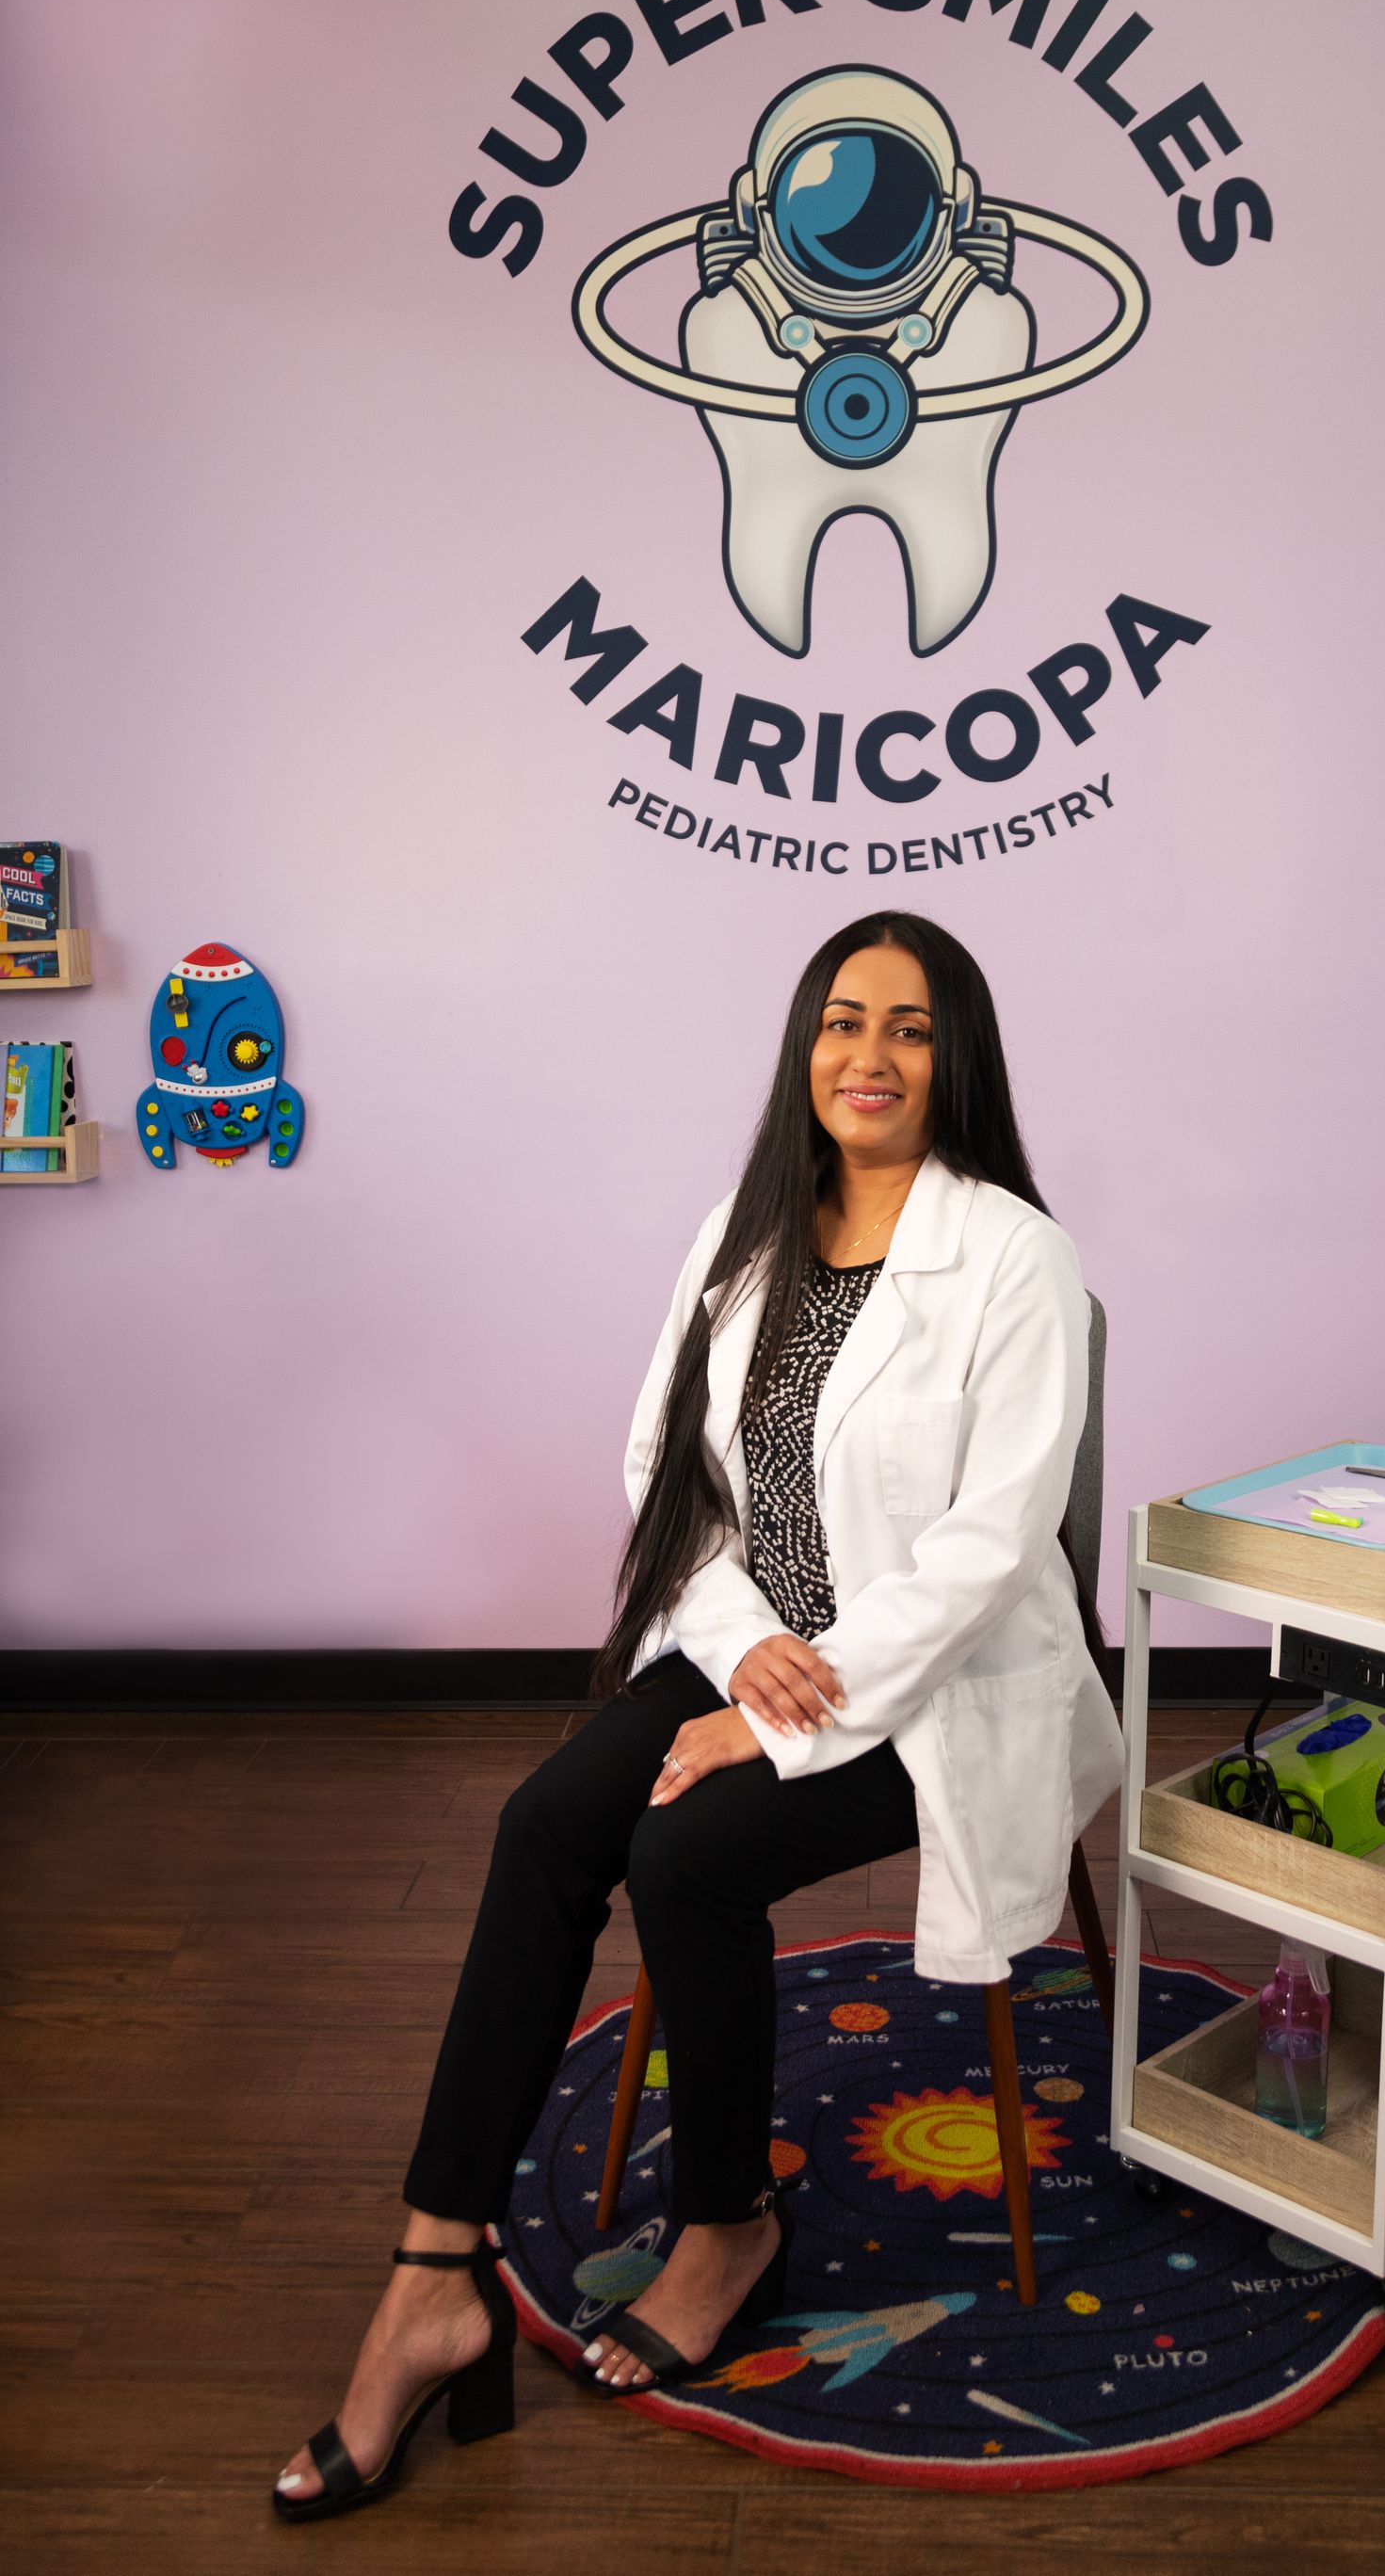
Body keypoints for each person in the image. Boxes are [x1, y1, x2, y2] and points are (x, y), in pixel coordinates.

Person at [274, 910, 1122, 2520]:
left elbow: (992, 1546)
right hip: (758, 1640)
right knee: (544, 1827)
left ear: (960, 1060)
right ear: (805, 1043)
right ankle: (430, 2272)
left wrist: (794, 1713)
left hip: (940, 1679)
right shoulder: (746, 1234)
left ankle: (728, 2221)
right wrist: (741, 1663)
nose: (868, 1056)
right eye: (841, 1020)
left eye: (911, 1028)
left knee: (688, 1856)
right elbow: (666, 1475)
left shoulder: (1014, 1251)